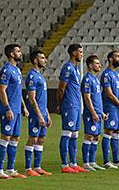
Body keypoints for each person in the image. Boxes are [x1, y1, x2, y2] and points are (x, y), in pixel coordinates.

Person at [0, 44, 29, 179]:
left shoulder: (17, 70)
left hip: (16, 109)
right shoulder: (6, 70)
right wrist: (7, 108)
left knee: (15, 138)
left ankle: (10, 169)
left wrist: (24, 106)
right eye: (18, 51)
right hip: (9, 110)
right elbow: (2, 90)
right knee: (6, 137)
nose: (20, 53)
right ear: (11, 54)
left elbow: (18, 91)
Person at [57, 44, 86, 173]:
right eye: (80, 52)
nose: (82, 54)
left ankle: (73, 163)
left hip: (76, 105)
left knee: (75, 134)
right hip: (69, 105)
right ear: (74, 53)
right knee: (67, 133)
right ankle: (64, 165)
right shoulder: (67, 68)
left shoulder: (76, 69)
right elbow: (61, 88)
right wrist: (61, 104)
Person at [24, 50, 53, 176]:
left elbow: (42, 98)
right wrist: (39, 115)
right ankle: (28, 168)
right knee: (33, 138)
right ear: (35, 60)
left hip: (43, 113)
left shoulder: (40, 76)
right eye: (42, 58)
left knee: (41, 139)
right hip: (36, 113)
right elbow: (32, 98)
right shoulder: (32, 76)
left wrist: (47, 114)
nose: (45, 60)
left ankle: (37, 167)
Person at [101, 50, 119, 169]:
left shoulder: (117, 74)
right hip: (110, 107)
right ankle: (106, 161)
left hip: (118, 108)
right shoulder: (106, 74)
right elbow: (109, 93)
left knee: (117, 132)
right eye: (117, 56)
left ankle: (116, 160)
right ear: (110, 59)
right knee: (109, 131)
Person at [81, 55, 107, 171]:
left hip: (98, 113)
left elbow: (97, 99)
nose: (99, 65)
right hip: (90, 114)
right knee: (89, 136)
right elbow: (87, 98)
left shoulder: (95, 79)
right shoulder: (87, 79)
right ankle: (86, 163)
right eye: (97, 63)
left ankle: (92, 161)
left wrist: (101, 112)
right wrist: (93, 113)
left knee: (96, 137)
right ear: (90, 65)